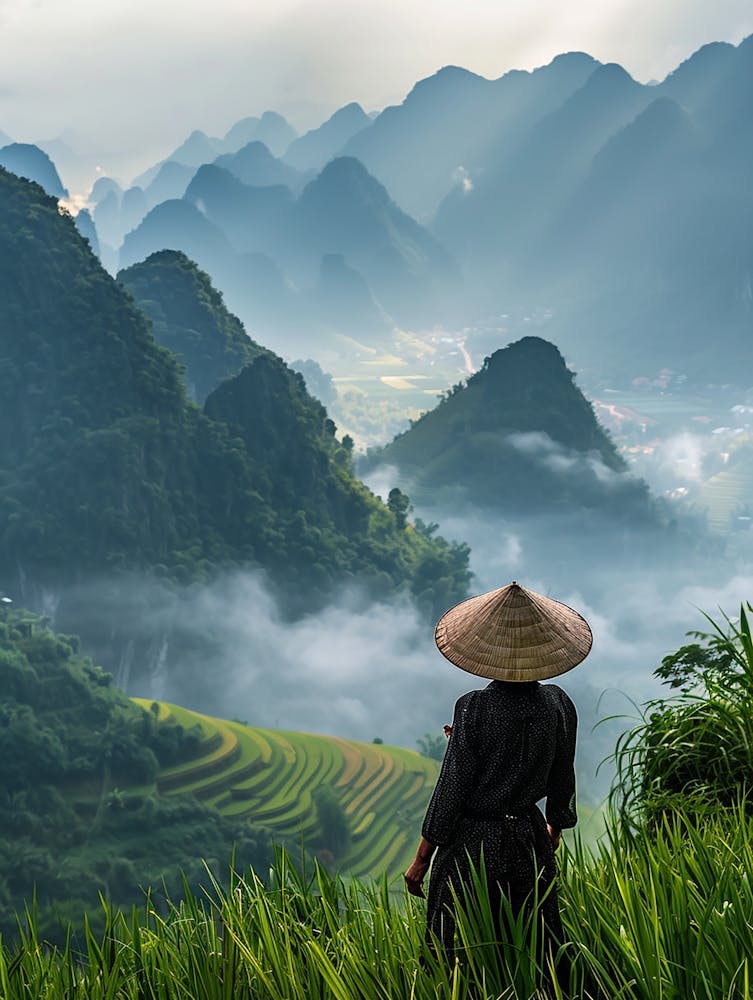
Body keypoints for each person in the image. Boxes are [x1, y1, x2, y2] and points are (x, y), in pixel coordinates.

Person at [404, 580, 591, 983]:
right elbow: (563, 777)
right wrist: (553, 829)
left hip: (473, 846)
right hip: (528, 839)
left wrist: (421, 860)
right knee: (538, 946)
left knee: (452, 948)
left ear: (488, 651)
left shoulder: (474, 708)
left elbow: (451, 790)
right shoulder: (558, 704)